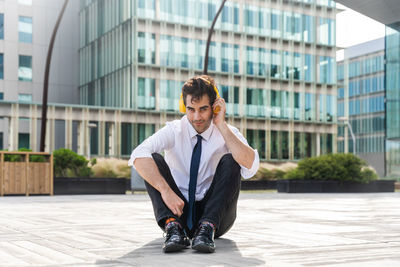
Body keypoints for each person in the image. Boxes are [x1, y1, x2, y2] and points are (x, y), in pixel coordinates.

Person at [128, 75, 259, 253]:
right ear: (184, 107)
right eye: (191, 109)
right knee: (152, 158)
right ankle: (173, 228)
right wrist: (166, 191)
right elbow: (137, 155)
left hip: (217, 217)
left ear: (214, 107)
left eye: (203, 109)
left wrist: (221, 125)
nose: (196, 117)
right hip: (177, 210)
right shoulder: (174, 130)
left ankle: (206, 229)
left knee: (231, 160)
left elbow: (251, 166)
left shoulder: (228, 132)